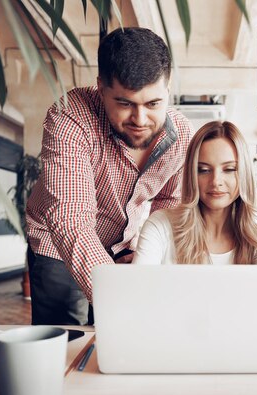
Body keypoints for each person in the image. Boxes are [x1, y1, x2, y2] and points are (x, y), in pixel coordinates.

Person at [25, 28, 194, 325]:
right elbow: (70, 219)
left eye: (153, 104)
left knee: (117, 334)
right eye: (125, 103)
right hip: (60, 247)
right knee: (67, 340)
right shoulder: (70, 116)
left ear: (168, 90)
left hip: (123, 245)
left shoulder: (181, 137)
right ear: (101, 88)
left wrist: (144, 247)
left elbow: (169, 202)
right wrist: (120, 295)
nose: (140, 120)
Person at [133, 121, 257, 265]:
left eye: (229, 169)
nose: (216, 181)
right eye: (204, 170)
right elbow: (139, 285)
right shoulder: (160, 226)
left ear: (244, 174)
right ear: (192, 175)